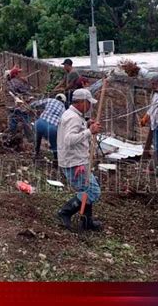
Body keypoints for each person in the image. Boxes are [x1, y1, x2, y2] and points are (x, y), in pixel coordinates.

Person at [56, 89, 103, 231]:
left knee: (86, 189)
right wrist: (90, 131)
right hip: (74, 162)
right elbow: (69, 139)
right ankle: (65, 212)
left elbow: (74, 132)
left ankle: (86, 222)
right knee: (93, 191)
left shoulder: (74, 115)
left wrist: (87, 124)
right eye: (88, 103)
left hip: (76, 159)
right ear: (81, 102)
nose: (90, 106)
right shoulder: (73, 118)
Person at [30, 94, 66, 163]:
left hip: (40, 123)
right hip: (52, 128)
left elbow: (37, 104)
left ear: (56, 97)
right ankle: (56, 161)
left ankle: (36, 153)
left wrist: (31, 105)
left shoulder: (50, 100)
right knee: (54, 144)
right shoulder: (64, 108)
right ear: (64, 102)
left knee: (37, 138)